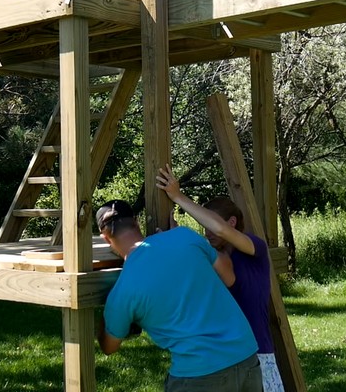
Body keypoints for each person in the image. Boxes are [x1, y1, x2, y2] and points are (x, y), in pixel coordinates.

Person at [95, 199, 262, 392]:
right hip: (246, 355)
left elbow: (109, 346)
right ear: (136, 222)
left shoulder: (122, 291)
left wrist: (105, 317)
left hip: (199, 375)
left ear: (105, 238)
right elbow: (229, 276)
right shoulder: (184, 236)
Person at [156, 165, 285, 392]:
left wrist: (178, 196)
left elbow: (221, 231)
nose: (207, 232)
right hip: (226, 359)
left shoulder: (255, 247)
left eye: (210, 225)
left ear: (232, 223)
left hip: (258, 355)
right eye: (204, 227)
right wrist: (174, 239)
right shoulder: (214, 258)